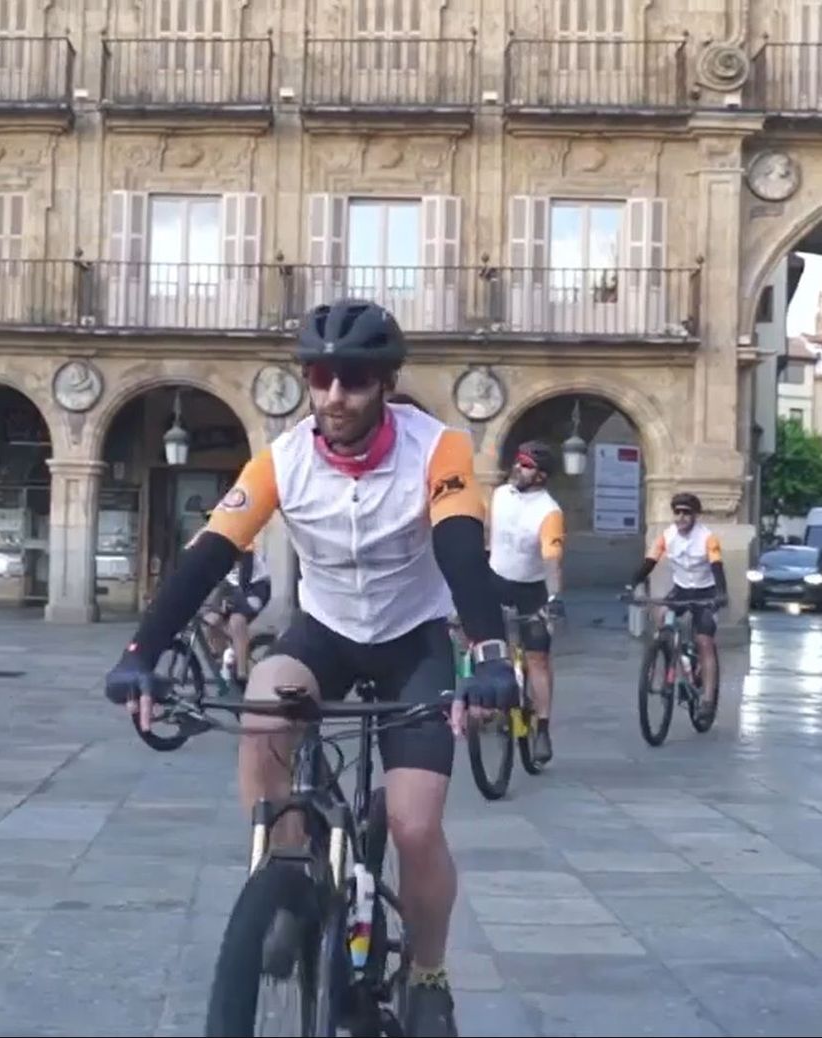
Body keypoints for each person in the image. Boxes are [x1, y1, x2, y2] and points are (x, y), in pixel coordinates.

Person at [104, 298, 520, 1037]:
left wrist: (489, 655)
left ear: (386, 383)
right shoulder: (283, 459)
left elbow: (460, 549)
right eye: (321, 377)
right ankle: (289, 884)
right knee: (265, 705)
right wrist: (141, 652)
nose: (334, 396)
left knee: (415, 827)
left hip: (412, 642)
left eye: (355, 379)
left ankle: (428, 976)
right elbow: (209, 554)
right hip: (323, 633)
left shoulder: (439, 448)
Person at [487, 440, 566, 765]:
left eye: (527, 465)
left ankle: (543, 729)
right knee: (485, 643)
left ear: (541, 476)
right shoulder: (500, 494)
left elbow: (552, 561)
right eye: (517, 462)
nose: (518, 468)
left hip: (531, 590)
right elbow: (486, 533)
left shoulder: (549, 512)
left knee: (538, 660)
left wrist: (553, 599)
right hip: (496, 581)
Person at [628, 491, 728, 709]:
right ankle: (665, 657)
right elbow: (649, 563)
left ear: (695, 516)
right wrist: (631, 584)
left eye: (687, 513)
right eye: (677, 512)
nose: (681, 517)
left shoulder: (707, 538)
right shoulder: (667, 536)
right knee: (662, 615)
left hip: (706, 592)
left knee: (704, 642)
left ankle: (708, 698)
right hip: (682, 590)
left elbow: (717, 567)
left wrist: (721, 594)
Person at [199, 520, 270, 685]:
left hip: (255, 587)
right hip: (230, 587)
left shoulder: (245, 545)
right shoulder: (213, 549)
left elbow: (244, 580)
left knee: (237, 621)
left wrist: (230, 603)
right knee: (211, 620)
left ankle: (242, 673)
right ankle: (225, 662)